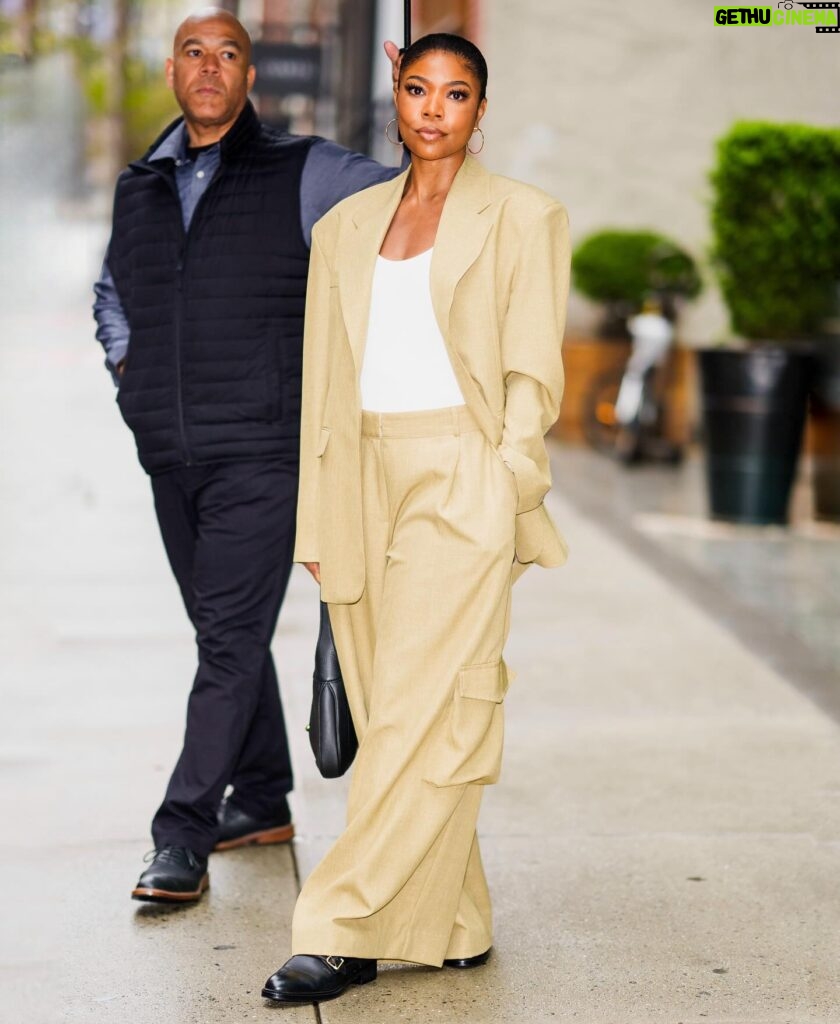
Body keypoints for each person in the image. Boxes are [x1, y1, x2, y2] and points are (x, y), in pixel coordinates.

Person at [262, 32, 571, 1006]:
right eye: (417, 88)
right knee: (413, 710)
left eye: (457, 92)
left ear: (483, 110)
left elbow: (532, 368)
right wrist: (319, 521)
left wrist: (505, 479)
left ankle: (344, 924)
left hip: (460, 475)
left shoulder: (526, 217)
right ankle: (454, 918)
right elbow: (323, 384)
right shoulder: (347, 226)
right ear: (396, 98)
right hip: (361, 478)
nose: (434, 107)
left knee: (406, 718)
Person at [93, 7, 404, 904]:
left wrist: (409, 102)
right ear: (172, 70)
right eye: (195, 51)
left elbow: (409, 197)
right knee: (225, 635)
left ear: (248, 76)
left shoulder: (305, 170)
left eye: (229, 53)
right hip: (171, 453)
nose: (210, 66)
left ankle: (181, 833)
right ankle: (262, 798)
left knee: (226, 643)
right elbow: (112, 292)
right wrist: (129, 371)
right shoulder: (137, 186)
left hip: (264, 453)